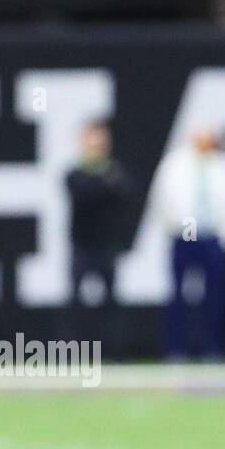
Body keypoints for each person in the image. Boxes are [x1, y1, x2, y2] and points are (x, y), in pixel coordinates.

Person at [152, 127, 225, 359]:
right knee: (179, 294)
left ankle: (213, 348)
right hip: (184, 236)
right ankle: (177, 348)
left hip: (212, 236)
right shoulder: (175, 164)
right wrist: (174, 226)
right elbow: (161, 198)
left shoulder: (223, 165)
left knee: (215, 295)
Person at [65, 120, 134, 308]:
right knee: (75, 303)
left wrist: (104, 184)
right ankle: (75, 339)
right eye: (92, 141)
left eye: (100, 141)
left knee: (111, 303)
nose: (96, 146)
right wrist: (104, 184)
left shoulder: (116, 171)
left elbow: (125, 194)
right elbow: (83, 193)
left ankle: (110, 339)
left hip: (107, 246)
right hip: (81, 245)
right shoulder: (74, 174)